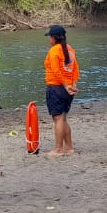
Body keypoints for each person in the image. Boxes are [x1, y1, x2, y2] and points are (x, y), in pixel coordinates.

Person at [43, 25, 79, 157]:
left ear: (53, 38)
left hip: (56, 88)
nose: (49, 40)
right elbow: (75, 69)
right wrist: (72, 85)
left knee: (58, 119)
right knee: (63, 119)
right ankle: (69, 147)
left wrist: (65, 85)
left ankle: (58, 149)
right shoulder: (70, 49)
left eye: (50, 37)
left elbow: (56, 71)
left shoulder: (54, 51)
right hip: (68, 89)